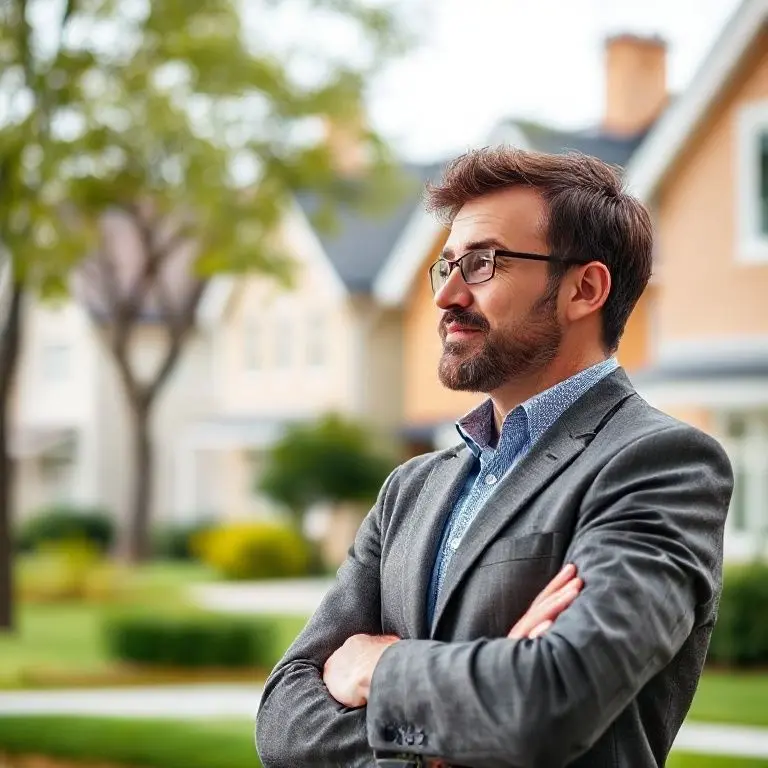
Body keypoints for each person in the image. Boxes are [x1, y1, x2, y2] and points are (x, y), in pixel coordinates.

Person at [255, 147, 733, 768]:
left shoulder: (661, 464)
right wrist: (447, 744)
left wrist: (380, 667)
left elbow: (554, 701)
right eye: (446, 266)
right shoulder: (409, 489)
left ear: (584, 289)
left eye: (482, 264)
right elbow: (282, 721)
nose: (447, 295)